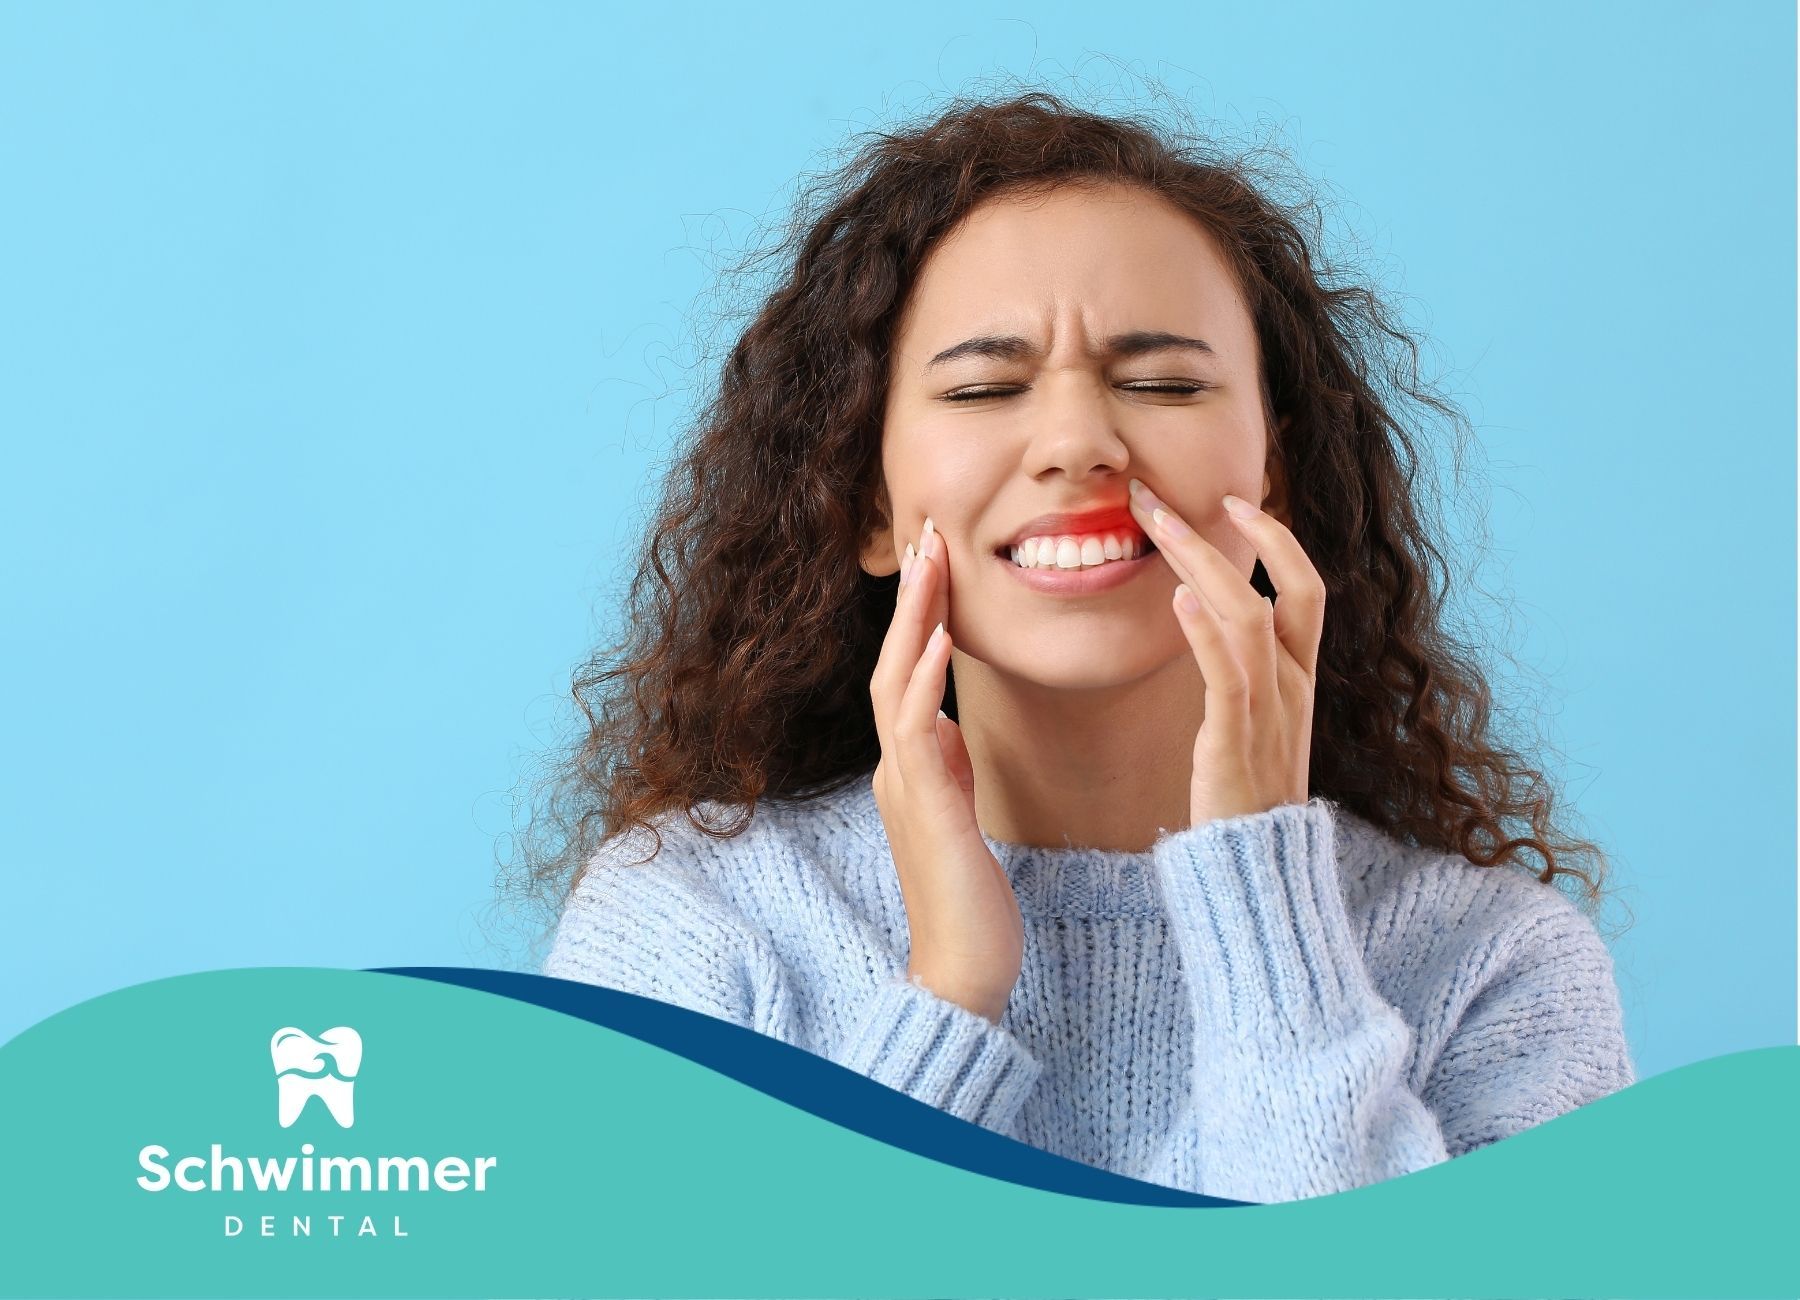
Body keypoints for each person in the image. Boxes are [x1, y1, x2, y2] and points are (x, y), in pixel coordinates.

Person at [520, 90, 1636, 1204]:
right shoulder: (692, 925)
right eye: (984, 387)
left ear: (1275, 478)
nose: (1077, 444)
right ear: (865, 504)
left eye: (1161, 384)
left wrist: (1266, 901)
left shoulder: (1496, 965)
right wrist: (949, 993)